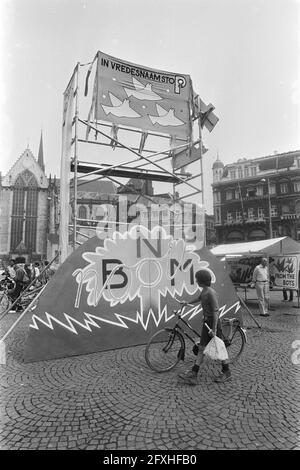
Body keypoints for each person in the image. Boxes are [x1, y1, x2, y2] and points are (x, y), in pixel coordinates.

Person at [177, 269, 231, 385]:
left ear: (200, 281)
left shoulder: (210, 293)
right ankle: (194, 373)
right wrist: (187, 302)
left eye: (197, 279)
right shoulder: (204, 291)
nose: (196, 281)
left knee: (219, 347)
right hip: (207, 323)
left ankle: (226, 371)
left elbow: (216, 311)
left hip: (213, 324)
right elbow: (198, 299)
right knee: (201, 348)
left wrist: (214, 329)